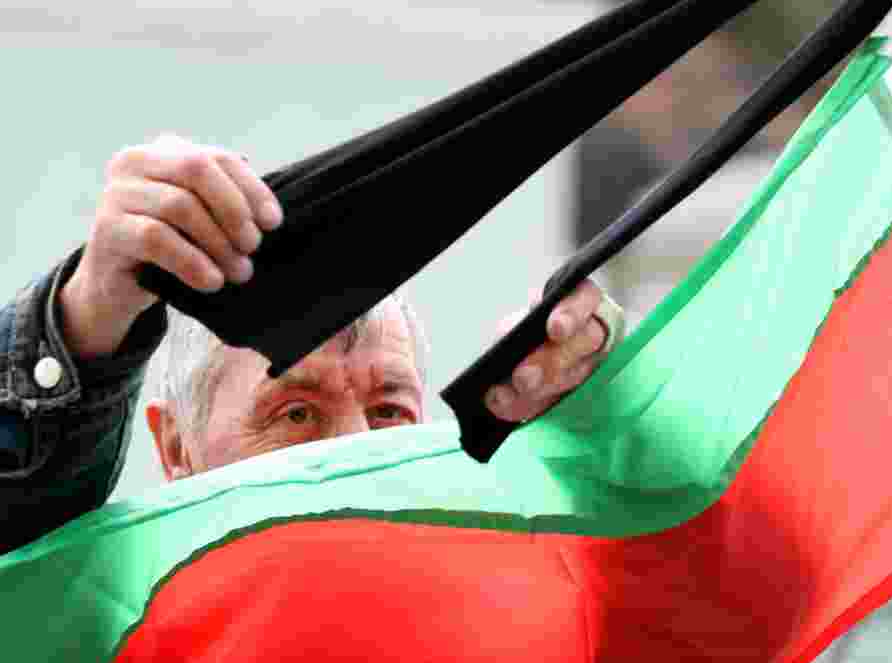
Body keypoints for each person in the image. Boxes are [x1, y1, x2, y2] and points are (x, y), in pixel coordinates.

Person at [0, 134, 623, 554]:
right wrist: (85, 320)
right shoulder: (109, 660)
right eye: (295, 413)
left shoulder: (504, 622)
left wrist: (619, 435)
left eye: (388, 413)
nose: (356, 450)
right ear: (176, 449)